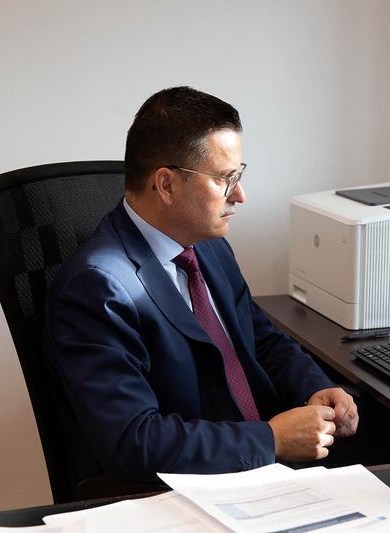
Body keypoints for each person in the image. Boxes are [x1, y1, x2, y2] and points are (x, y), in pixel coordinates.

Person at [45, 87, 359, 484]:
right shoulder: (97, 287)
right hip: (189, 485)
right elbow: (133, 441)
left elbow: (261, 341)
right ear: (166, 184)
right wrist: (271, 439)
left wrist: (316, 387)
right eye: (225, 179)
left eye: (239, 175)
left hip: (266, 468)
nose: (240, 195)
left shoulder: (208, 246)